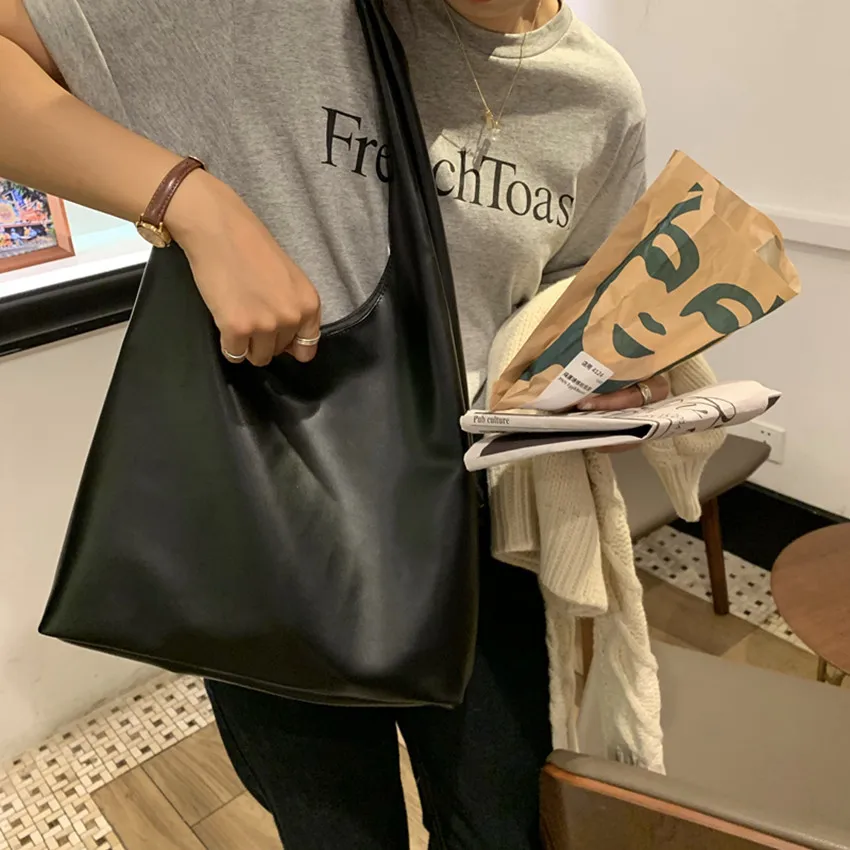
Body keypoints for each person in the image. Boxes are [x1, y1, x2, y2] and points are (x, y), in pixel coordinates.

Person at [0, 1, 670, 847]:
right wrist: (190, 201)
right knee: (335, 832)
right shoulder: (269, 16)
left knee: (501, 824)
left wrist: (596, 374)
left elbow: (568, 290)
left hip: (480, 526)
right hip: (272, 514)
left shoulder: (598, 98)